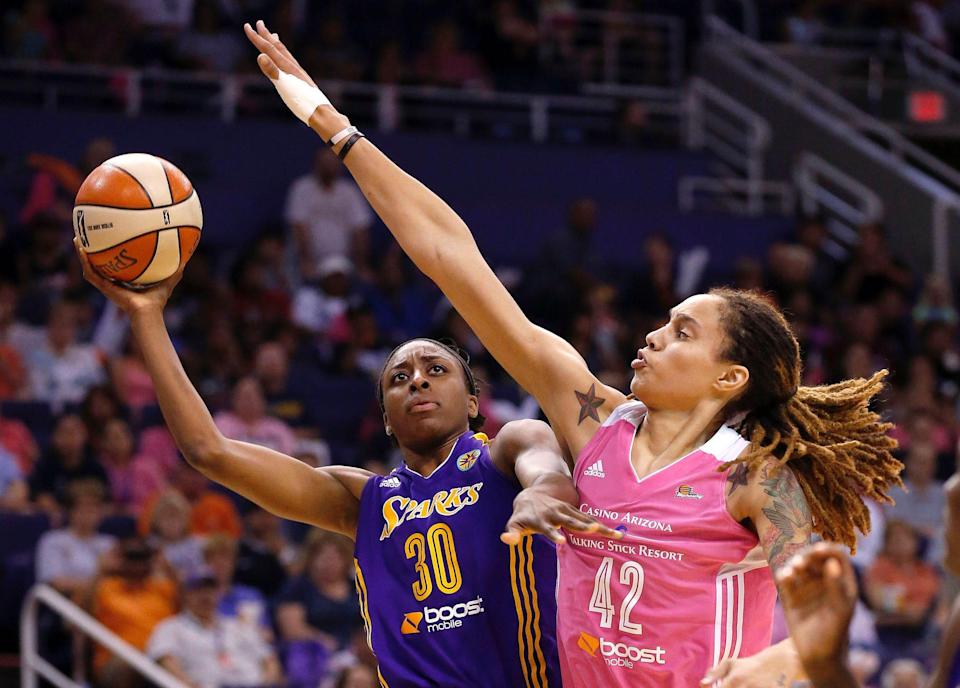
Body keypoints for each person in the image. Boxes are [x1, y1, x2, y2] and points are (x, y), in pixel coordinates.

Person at [243, 21, 904, 686]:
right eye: (663, 322)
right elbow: (455, 261)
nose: (653, 335)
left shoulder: (754, 476)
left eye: (682, 333)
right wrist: (338, 129)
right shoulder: (594, 425)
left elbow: (814, 634)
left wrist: (764, 669)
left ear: (730, 376)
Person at [75, 242, 615, 687]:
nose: (417, 380)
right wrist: (145, 317)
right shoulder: (364, 501)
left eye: (435, 369)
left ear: (473, 402)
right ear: (385, 418)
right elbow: (207, 450)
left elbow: (541, 459)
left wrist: (542, 489)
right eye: (399, 379)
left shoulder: (503, 449)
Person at [146, 566, 282, 688]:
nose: (205, 596)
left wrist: (267, 682)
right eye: (198, 590)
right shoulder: (171, 627)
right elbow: (165, 660)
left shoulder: (237, 626)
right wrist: (188, 684)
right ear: (185, 594)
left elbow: (269, 660)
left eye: (210, 589)